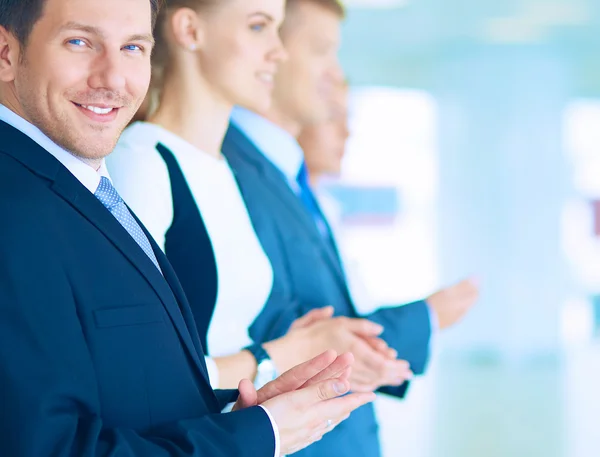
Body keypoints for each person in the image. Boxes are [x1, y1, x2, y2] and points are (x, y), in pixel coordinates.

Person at [0, 0, 377, 455]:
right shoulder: (19, 205)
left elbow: (126, 389)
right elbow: (50, 446)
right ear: (5, 53)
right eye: (79, 42)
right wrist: (257, 433)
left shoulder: (85, 188)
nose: (113, 78)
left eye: (134, 47)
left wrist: (242, 414)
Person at [107, 0, 412, 395]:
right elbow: (139, 374)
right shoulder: (142, 161)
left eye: (277, 28)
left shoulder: (224, 169)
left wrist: (301, 352)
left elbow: (226, 343)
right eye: (257, 27)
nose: (278, 51)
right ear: (190, 31)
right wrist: (282, 353)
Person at [221, 0, 480, 455]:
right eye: (322, 50)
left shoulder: (285, 175)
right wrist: (427, 317)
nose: (332, 75)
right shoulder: (227, 165)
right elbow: (285, 330)